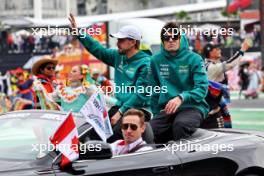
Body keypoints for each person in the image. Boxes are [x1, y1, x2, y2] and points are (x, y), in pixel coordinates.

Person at [69, 14, 152, 143]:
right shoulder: (118, 56)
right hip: (120, 107)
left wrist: (120, 112)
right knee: (90, 133)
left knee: (114, 134)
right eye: (117, 39)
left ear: (133, 42)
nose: (117, 43)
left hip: (139, 109)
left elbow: (140, 95)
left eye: (121, 40)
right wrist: (79, 32)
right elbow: (98, 49)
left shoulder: (146, 64)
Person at [149, 22, 209, 143]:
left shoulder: (195, 59)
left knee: (180, 125)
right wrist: (156, 113)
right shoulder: (155, 60)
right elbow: (154, 90)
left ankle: (186, 161)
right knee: (148, 130)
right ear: (162, 41)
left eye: (175, 37)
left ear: (181, 38)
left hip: (193, 107)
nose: (171, 40)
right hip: (167, 110)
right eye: (166, 37)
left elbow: (202, 88)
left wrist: (181, 97)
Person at [203, 40, 250, 128]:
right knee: (220, 134)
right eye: (217, 49)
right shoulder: (211, 67)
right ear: (210, 52)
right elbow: (230, 64)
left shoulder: (207, 65)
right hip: (210, 112)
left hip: (210, 106)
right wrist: (242, 50)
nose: (220, 50)